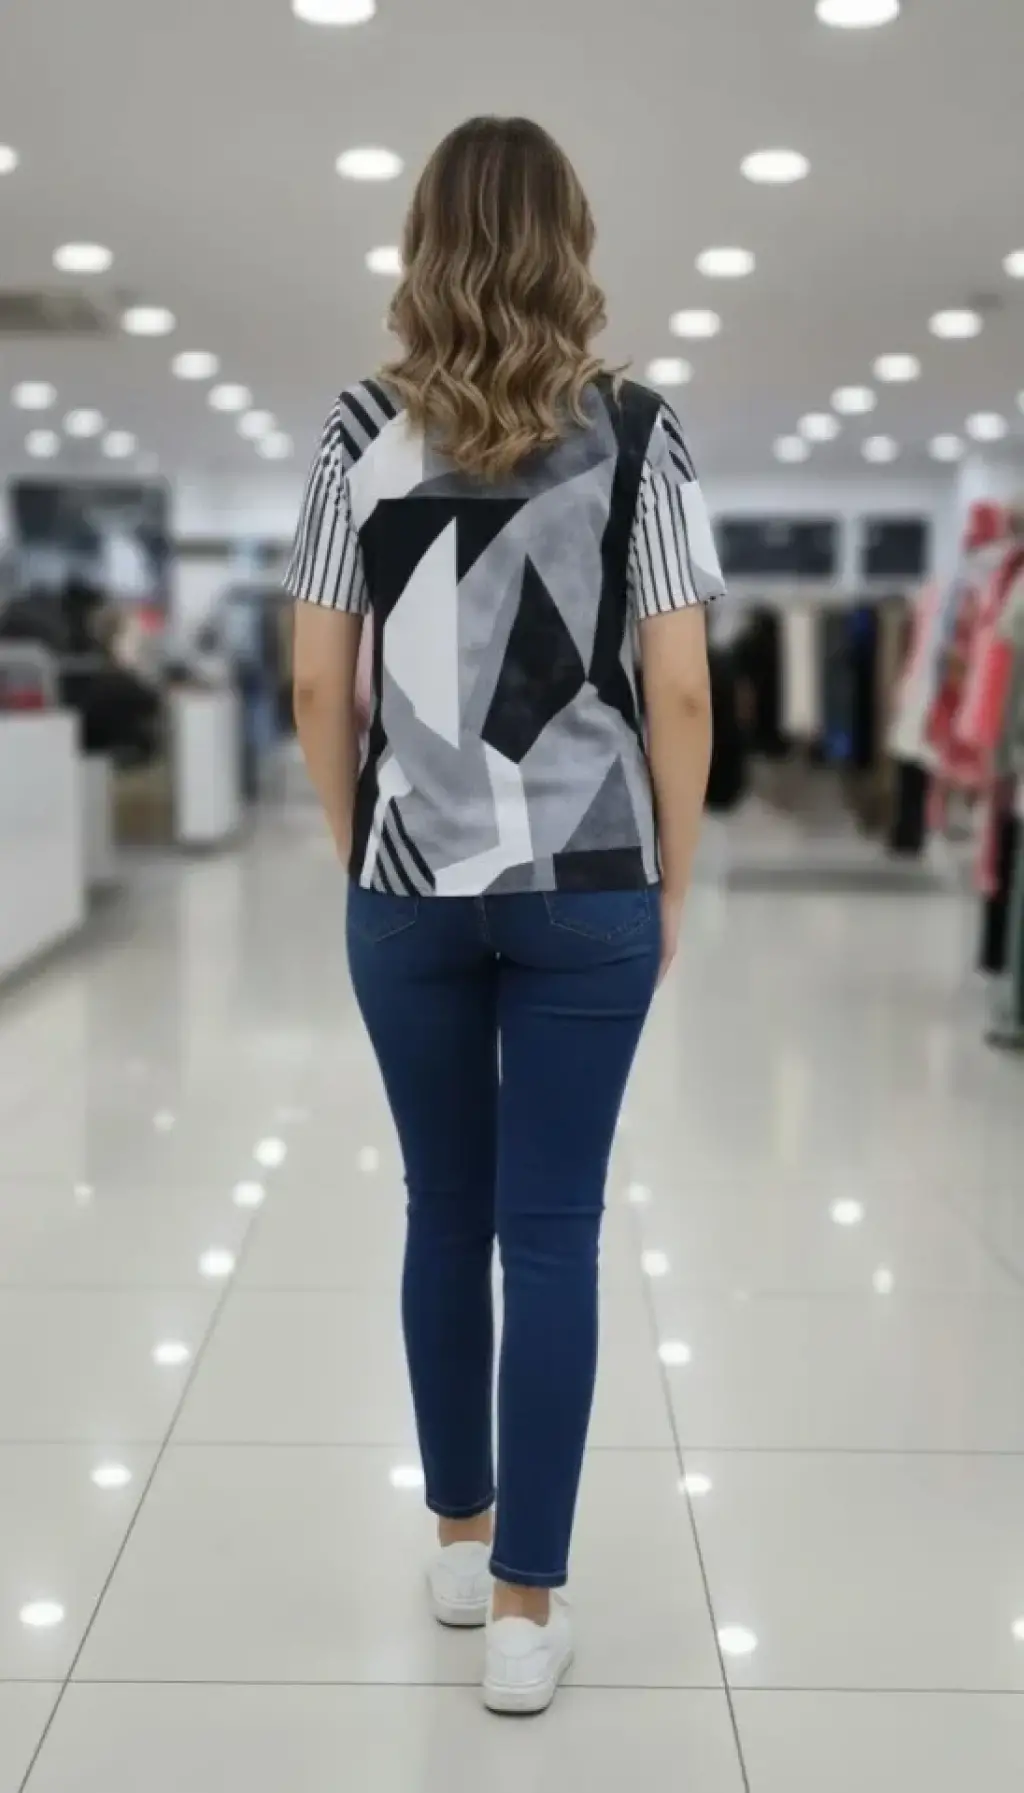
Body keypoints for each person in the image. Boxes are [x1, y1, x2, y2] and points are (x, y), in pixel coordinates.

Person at [288, 115, 723, 1716]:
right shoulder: (640, 431)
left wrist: (361, 848)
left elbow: (316, 681)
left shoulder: (356, 430)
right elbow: (681, 692)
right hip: (588, 882)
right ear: (571, 244)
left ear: (424, 246)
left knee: (442, 1212)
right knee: (552, 1233)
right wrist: (672, 881)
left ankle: (462, 1548)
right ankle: (531, 1613)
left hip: (409, 887)